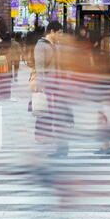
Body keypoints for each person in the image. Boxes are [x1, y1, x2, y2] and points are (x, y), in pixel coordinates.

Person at [33, 21, 72, 157]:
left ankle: (62, 147)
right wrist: (42, 87)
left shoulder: (58, 45)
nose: (60, 35)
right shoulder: (41, 46)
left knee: (60, 115)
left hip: (60, 84)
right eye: (59, 33)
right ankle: (60, 147)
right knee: (55, 115)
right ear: (52, 32)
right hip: (49, 85)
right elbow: (40, 67)